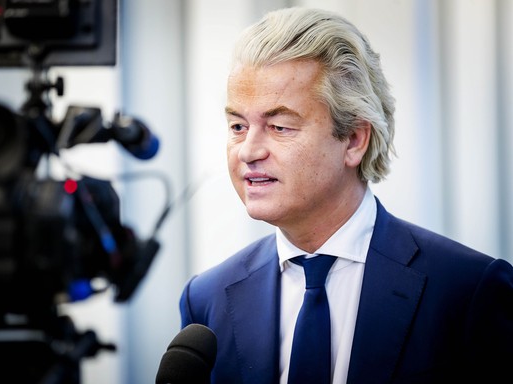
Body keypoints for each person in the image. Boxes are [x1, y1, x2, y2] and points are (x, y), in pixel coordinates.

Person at [178, 7, 513, 384]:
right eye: (238, 126)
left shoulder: (467, 290)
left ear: (354, 139)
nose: (248, 151)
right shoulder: (206, 299)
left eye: (280, 126)